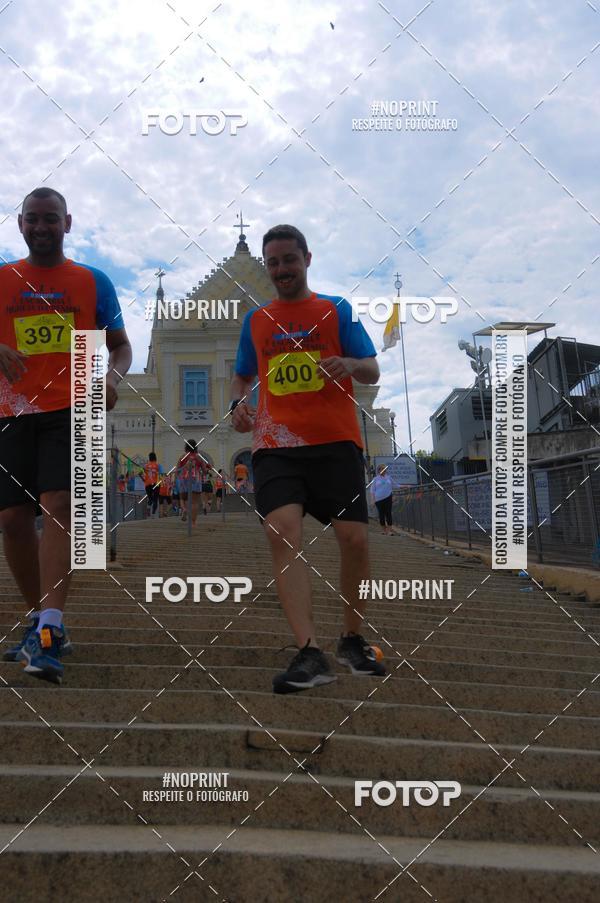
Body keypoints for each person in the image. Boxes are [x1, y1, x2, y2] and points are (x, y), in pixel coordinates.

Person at [231, 223, 385, 694]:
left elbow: (372, 366)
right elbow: (241, 378)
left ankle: (352, 638)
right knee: (282, 530)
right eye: (273, 262)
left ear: (307, 259)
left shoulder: (335, 310)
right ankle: (309, 651)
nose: (281, 269)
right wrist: (236, 404)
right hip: (276, 445)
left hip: (335, 443)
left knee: (354, 539)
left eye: (289, 260)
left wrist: (350, 365)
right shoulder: (256, 321)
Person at [0, 187, 132, 683]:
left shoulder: (92, 281)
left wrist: (111, 380)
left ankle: (51, 628)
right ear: (20, 224)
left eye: (51, 219)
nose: (41, 227)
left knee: (59, 506)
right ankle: (41, 619)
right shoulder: (3, 280)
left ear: (68, 223)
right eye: (32, 219)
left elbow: (120, 347)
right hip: (11, 410)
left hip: (74, 406)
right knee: (13, 519)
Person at [176, 439, 206, 526]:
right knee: (194, 502)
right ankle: (193, 522)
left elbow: (177, 470)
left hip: (184, 479)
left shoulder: (183, 457)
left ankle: (184, 509)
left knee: (184, 499)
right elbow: (204, 471)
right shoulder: (199, 457)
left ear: (186, 447)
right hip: (195, 480)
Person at [371, 464, 394, 535]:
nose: (383, 470)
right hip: (379, 500)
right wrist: (373, 500)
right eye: (381, 469)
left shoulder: (389, 478)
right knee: (381, 515)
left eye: (384, 469)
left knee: (388, 514)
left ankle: (389, 531)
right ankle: (384, 530)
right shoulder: (375, 479)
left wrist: (405, 486)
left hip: (388, 498)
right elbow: (372, 490)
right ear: (378, 470)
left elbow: (395, 485)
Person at [143, 452, 160, 518]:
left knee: (150, 499)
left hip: (148, 484)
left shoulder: (146, 466)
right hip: (155, 483)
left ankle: (148, 507)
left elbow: (143, 473)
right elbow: (160, 474)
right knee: (155, 499)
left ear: (149, 458)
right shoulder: (157, 465)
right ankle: (153, 514)